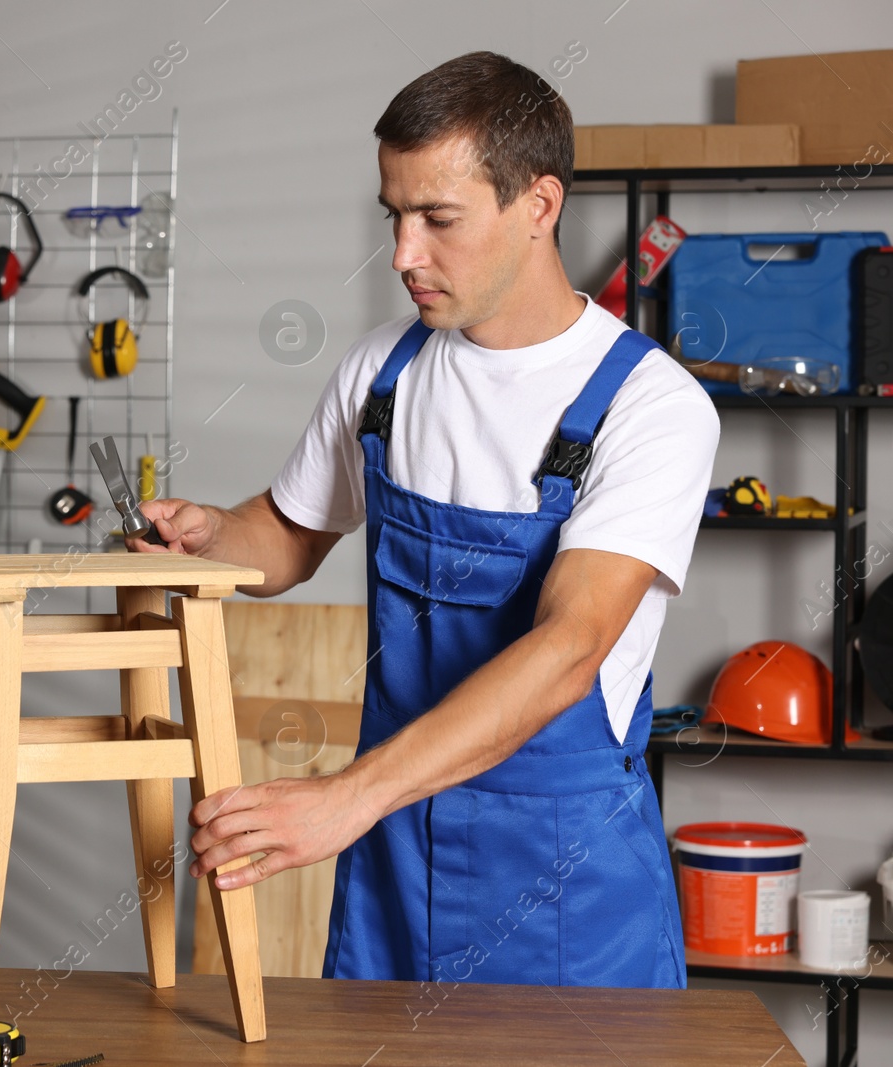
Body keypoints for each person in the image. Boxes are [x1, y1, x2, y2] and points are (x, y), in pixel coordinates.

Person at [129, 51, 718, 988]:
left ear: (539, 204)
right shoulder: (383, 376)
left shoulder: (649, 406)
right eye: (395, 216)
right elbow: (286, 536)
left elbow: (571, 646)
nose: (404, 254)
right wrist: (209, 535)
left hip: (564, 881)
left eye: (437, 219)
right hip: (396, 866)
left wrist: (344, 799)